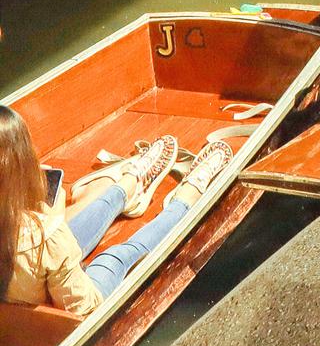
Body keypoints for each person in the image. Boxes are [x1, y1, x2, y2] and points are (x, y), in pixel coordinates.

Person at [4, 103, 239, 318]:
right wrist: (51, 222)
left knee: (63, 236)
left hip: (30, 272)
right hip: (66, 301)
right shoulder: (46, 235)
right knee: (116, 254)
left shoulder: (38, 229)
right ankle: (185, 200)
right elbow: (78, 307)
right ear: (21, 163)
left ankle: (127, 188)